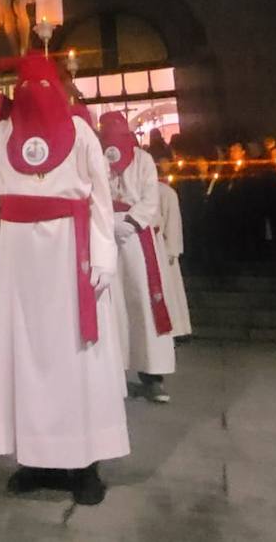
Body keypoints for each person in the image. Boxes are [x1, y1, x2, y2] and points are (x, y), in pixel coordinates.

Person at [0, 55, 126, 503]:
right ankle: (35, 458)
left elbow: (100, 198)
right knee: (27, 353)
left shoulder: (81, 131)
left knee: (76, 353)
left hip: (71, 252)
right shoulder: (0, 133)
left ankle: (85, 464)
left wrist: (103, 256)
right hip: (21, 254)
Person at [100, 111, 176, 403]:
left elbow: (149, 198)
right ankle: (113, 371)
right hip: (107, 235)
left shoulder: (143, 160)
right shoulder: (98, 157)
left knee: (144, 301)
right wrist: (108, 221)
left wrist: (130, 223)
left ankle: (152, 374)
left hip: (136, 237)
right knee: (112, 304)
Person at [156, 175, 192, 338]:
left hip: (163, 248)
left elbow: (172, 222)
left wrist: (172, 249)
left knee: (170, 290)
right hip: (151, 246)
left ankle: (175, 327)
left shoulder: (166, 193)